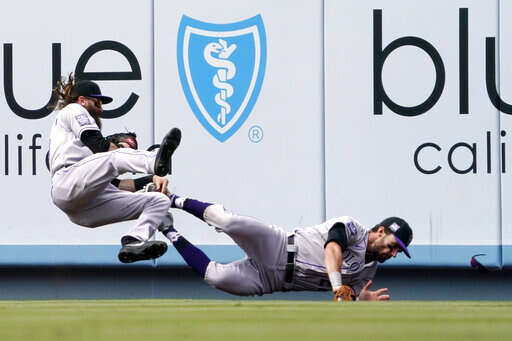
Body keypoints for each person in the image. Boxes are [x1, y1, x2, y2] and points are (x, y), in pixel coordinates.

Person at [155, 192, 413, 300]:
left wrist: (360, 300)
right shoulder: (353, 228)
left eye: (398, 251)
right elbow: (332, 248)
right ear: (381, 231)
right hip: (278, 246)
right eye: (393, 245)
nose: (393, 253)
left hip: (271, 281)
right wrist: (338, 286)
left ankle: (168, 228)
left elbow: (346, 300)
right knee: (227, 221)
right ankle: (173, 199)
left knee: (215, 277)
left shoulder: (368, 272)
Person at [48, 74, 181, 263]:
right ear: (82, 100)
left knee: (158, 201)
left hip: (85, 207)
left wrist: (151, 179)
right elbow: (100, 146)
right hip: (67, 181)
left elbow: (118, 185)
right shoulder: (73, 109)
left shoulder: (77, 146)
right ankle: (154, 159)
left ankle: (134, 241)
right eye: (97, 103)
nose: (100, 109)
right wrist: (127, 150)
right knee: (114, 157)